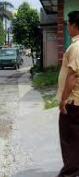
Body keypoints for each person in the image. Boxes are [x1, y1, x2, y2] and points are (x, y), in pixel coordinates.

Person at [56, 11, 79, 177]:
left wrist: (63, 101)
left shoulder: (76, 47)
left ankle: (70, 173)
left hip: (73, 103)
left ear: (74, 25)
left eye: (68, 24)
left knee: (69, 140)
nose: (67, 27)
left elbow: (71, 77)